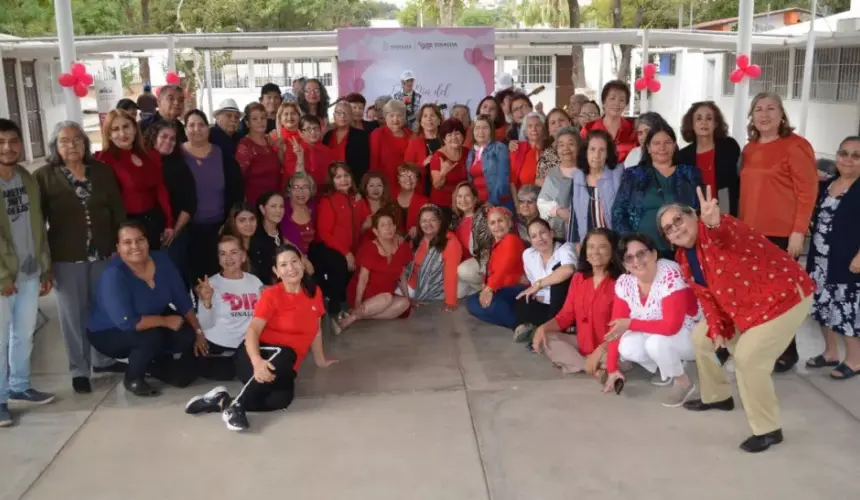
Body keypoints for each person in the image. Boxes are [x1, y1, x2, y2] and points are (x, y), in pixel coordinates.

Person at [658, 188, 815, 452]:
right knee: (702, 338)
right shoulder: (685, 257)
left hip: (784, 298)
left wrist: (714, 222)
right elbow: (706, 297)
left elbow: (724, 233)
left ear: (694, 216)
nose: (676, 228)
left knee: (748, 359)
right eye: (668, 229)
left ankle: (768, 429)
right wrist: (717, 329)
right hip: (741, 306)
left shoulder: (720, 229)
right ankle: (717, 397)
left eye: (679, 220)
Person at [185, 245, 336, 432]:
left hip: (285, 365)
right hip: (252, 356)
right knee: (287, 353)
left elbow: (316, 328)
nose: (291, 268)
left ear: (303, 264)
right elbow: (253, 331)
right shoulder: (272, 295)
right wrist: (257, 362)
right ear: (276, 272)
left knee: (280, 401)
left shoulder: (314, 292)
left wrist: (320, 359)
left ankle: (223, 401)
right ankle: (236, 410)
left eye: (294, 261)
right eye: (283, 265)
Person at [35, 121, 127, 394]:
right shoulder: (44, 176)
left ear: (86, 144)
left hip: (103, 254)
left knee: (102, 310)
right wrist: (44, 262)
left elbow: (117, 211)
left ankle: (103, 359)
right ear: (55, 146)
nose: (72, 145)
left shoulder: (101, 172)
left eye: (77, 140)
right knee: (72, 316)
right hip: (66, 257)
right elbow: (38, 223)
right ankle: (79, 369)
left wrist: (120, 246)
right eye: (64, 141)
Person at [739, 92, 818, 373]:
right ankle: (765, 347)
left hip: (782, 235)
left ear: (782, 114)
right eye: (758, 109)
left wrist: (798, 231)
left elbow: (808, 191)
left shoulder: (796, 146)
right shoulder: (750, 149)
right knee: (758, 295)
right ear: (752, 117)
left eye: (771, 108)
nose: (764, 114)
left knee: (781, 295)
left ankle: (788, 350)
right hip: (751, 234)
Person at [87, 221, 205, 396]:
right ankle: (133, 378)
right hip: (108, 331)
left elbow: (183, 300)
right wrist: (165, 321)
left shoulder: (163, 261)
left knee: (185, 333)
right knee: (151, 337)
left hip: (149, 318)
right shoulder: (113, 275)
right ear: (118, 248)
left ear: (147, 242)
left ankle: (152, 363)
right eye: (127, 242)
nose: (135, 246)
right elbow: (128, 322)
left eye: (140, 240)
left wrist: (198, 332)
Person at [603, 234, 701, 405]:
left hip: (691, 333)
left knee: (655, 343)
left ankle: (683, 381)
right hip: (659, 332)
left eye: (641, 254)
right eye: (629, 258)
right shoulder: (625, 283)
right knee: (627, 347)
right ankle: (667, 367)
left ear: (654, 254)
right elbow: (616, 328)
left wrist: (631, 323)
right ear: (625, 265)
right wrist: (612, 369)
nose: (637, 261)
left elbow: (671, 326)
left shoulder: (670, 275)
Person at [0, 119, 54, 426]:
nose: (8, 147)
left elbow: (38, 226)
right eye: (1, 142)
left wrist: (45, 266)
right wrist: (2, 277)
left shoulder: (26, 178)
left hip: (30, 272)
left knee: (23, 335)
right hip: (3, 278)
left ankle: (20, 386)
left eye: (13, 141)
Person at [531, 229, 623, 374]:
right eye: (591, 247)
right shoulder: (579, 279)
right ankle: (591, 367)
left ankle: (582, 364)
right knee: (547, 339)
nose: (595, 252)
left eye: (602, 246)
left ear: (613, 252)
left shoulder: (621, 283)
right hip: (583, 345)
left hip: (610, 347)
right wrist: (542, 328)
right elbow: (565, 316)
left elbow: (621, 329)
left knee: (620, 356)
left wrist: (600, 350)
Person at [805, 136, 860, 379]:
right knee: (822, 306)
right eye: (843, 153)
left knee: (845, 309)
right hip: (820, 258)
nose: (847, 159)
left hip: (848, 259)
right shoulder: (828, 184)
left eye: (855, 155)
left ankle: (855, 360)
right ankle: (830, 353)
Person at [612, 121, 701, 257]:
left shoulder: (690, 173)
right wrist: (632, 244)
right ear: (647, 147)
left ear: (675, 145)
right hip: (644, 253)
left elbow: (700, 210)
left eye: (667, 142)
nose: (662, 148)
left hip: (686, 249)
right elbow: (618, 212)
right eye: (656, 143)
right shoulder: (634, 175)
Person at [95, 109, 174, 251]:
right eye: (115, 129)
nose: (122, 133)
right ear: (109, 135)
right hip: (126, 228)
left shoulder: (150, 155)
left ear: (134, 128)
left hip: (153, 223)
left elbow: (161, 190)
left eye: (126, 127)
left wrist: (169, 223)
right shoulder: (105, 160)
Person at [181, 109, 244, 284]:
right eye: (191, 125)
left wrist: (228, 223)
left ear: (208, 128)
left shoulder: (221, 155)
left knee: (218, 276)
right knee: (193, 279)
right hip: (187, 230)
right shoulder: (177, 156)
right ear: (185, 129)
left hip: (218, 228)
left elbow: (236, 190)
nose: (196, 129)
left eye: (201, 124)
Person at [195, 235, 264, 381]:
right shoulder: (211, 284)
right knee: (225, 374)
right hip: (220, 346)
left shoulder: (254, 281)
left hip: (247, 344)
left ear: (243, 255)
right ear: (219, 258)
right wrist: (207, 301)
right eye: (223, 253)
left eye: (233, 252)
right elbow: (206, 324)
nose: (228, 258)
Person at [337, 210, 413, 332]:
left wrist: (407, 297)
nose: (388, 228)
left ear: (394, 227)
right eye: (383, 225)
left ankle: (358, 316)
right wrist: (357, 303)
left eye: (390, 224)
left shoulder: (402, 247)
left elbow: (402, 275)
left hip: (384, 294)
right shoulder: (369, 248)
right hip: (365, 293)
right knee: (387, 298)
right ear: (375, 231)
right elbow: (362, 279)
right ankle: (355, 314)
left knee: (404, 303)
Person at [143, 120, 195, 285]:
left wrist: (174, 231)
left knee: (176, 280)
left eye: (173, 139)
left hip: (175, 235)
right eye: (163, 136)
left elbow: (190, 203)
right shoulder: (141, 163)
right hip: (148, 234)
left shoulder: (181, 167)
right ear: (153, 138)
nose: (168, 141)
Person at [308, 162, 362, 318]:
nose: (343, 180)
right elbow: (325, 233)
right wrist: (347, 254)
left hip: (352, 249)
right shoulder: (328, 201)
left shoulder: (356, 199)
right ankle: (333, 306)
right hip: (330, 249)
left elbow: (365, 223)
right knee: (339, 267)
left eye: (346, 175)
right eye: (338, 177)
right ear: (332, 180)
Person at [513, 218, 576, 343]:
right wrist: (537, 293)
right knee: (522, 300)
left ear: (551, 233)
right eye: (534, 236)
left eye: (543, 233)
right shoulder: (528, 254)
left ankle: (546, 330)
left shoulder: (565, 248)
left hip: (564, 304)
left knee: (558, 280)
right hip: (545, 304)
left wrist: (539, 285)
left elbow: (568, 270)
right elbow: (532, 285)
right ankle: (548, 329)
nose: (540, 239)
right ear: (530, 241)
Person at [466, 206, 527, 329]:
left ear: (509, 223)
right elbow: (492, 271)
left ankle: (518, 325)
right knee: (473, 302)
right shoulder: (495, 245)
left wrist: (489, 288)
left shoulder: (511, 239)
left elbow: (505, 266)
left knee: (480, 303)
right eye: (492, 223)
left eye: (500, 221)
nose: (497, 226)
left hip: (515, 288)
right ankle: (514, 318)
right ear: (489, 228)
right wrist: (486, 286)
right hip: (501, 287)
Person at [676, 102, 741, 214]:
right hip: (696, 214)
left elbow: (738, 180)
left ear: (715, 123)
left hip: (726, 212)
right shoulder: (683, 156)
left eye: (709, 118)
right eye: (699, 118)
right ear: (692, 124)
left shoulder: (729, 146)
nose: (704, 123)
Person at [570, 129, 624, 243]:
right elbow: (575, 215)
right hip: (588, 243)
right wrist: (577, 244)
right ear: (585, 152)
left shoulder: (617, 174)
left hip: (613, 241)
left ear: (607, 154)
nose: (596, 155)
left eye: (602, 150)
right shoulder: (578, 177)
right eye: (592, 149)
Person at [407, 204, 463, 310]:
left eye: (432, 220)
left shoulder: (450, 241)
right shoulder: (417, 238)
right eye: (423, 221)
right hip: (410, 285)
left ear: (440, 222)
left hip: (433, 288)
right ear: (419, 223)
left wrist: (450, 302)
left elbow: (450, 272)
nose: (428, 224)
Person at [537, 127, 578, 240]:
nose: (566, 148)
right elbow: (542, 202)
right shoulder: (552, 173)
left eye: (571, 144)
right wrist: (559, 211)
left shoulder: (586, 172)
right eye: (561, 145)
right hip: (557, 233)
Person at [236, 102, 282, 205]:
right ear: (248, 123)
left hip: (275, 201)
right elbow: (238, 178)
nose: (260, 122)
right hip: (255, 202)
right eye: (255, 119)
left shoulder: (270, 140)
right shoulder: (245, 145)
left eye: (263, 118)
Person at [581, 81, 637, 163]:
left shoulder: (633, 129)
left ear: (626, 104)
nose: (617, 103)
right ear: (603, 102)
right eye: (612, 98)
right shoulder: (589, 129)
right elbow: (581, 157)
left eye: (621, 100)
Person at [466, 114, 512, 210]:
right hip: (478, 204)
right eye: (477, 128)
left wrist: (492, 201)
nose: (481, 132)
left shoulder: (499, 148)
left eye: (485, 128)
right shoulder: (471, 152)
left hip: (497, 203)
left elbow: (503, 178)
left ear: (491, 130)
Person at [452, 183, 491, 295]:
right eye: (459, 196)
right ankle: (477, 288)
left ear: (475, 199)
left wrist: (485, 278)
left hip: (483, 262)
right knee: (456, 293)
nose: (463, 200)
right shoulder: (456, 220)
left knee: (463, 271)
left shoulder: (483, 217)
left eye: (467, 195)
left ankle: (488, 287)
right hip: (467, 263)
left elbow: (486, 252)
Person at [429, 118, 469, 221]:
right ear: (444, 139)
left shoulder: (468, 152)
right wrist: (443, 173)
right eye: (449, 135)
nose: (454, 137)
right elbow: (437, 185)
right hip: (443, 206)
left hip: (464, 204)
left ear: (463, 136)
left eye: (457, 133)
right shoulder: (438, 156)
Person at [323, 100, 371, 184]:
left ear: (351, 116)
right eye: (339, 113)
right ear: (334, 116)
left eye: (346, 113)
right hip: (330, 182)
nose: (342, 116)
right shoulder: (328, 135)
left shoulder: (361, 136)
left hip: (351, 183)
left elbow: (364, 165)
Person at [370, 99, 412, 188]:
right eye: (391, 115)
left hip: (407, 185)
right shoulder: (377, 134)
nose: (395, 119)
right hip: (385, 185)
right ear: (385, 117)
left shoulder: (410, 134)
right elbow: (373, 163)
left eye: (399, 115)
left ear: (404, 117)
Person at [248, 191, 286, 285]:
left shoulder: (279, 233)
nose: (278, 210)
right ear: (262, 209)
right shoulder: (255, 237)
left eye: (281, 206)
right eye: (273, 206)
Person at [405, 104, 444, 196]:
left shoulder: (446, 140)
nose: (429, 119)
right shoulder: (414, 142)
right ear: (421, 121)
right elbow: (406, 168)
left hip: (444, 189)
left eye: (432, 115)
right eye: (425, 116)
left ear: (439, 120)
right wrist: (422, 164)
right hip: (422, 188)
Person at [281, 172, 317, 255]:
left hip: (314, 257)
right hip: (290, 257)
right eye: (296, 187)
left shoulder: (313, 207)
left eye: (305, 187)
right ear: (289, 190)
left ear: (311, 190)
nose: (301, 192)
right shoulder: (282, 208)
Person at [509, 112, 546, 192]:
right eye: (530, 126)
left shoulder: (550, 149)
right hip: (523, 200)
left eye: (538, 125)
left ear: (543, 128)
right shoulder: (516, 148)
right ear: (525, 131)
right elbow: (512, 183)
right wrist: (517, 204)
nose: (534, 129)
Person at [535, 108, 572, 184]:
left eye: (561, 120)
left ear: (570, 123)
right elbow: (539, 181)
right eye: (553, 123)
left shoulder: (582, 147)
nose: (558, 124)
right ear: (549, 130)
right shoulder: (546, 155)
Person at [394, 163, 429, 239]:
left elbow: (429, 223)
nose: (409, 179)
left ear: (417, 180)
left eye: (412, 176)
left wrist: (419, 228)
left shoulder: (424, 201)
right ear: (398, 179)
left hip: (415, 243)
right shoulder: (390, 198)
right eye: (404, 176)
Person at [209, 99, 242, 164]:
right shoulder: (209, 136)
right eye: (228, 115)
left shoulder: (239, 137)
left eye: (237, 117)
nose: (233, 119)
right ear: (217, 118)